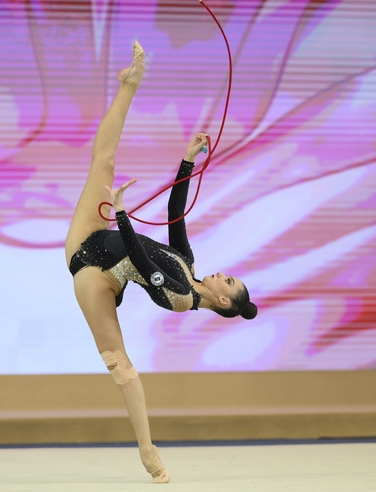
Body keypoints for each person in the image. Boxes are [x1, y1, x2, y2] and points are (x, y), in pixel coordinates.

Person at [64, 41, 257, 484]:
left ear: (224, 302)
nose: (221, 273)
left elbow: (136, 258)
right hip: (100, 233)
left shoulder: (181, 298)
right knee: (104, 162)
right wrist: (188, 159)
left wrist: (124, 213)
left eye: (227, 280)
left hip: (95, 273)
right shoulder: (187, 263)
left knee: (120, 365)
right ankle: (130, 83)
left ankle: (147, 448)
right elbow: (175, 214)